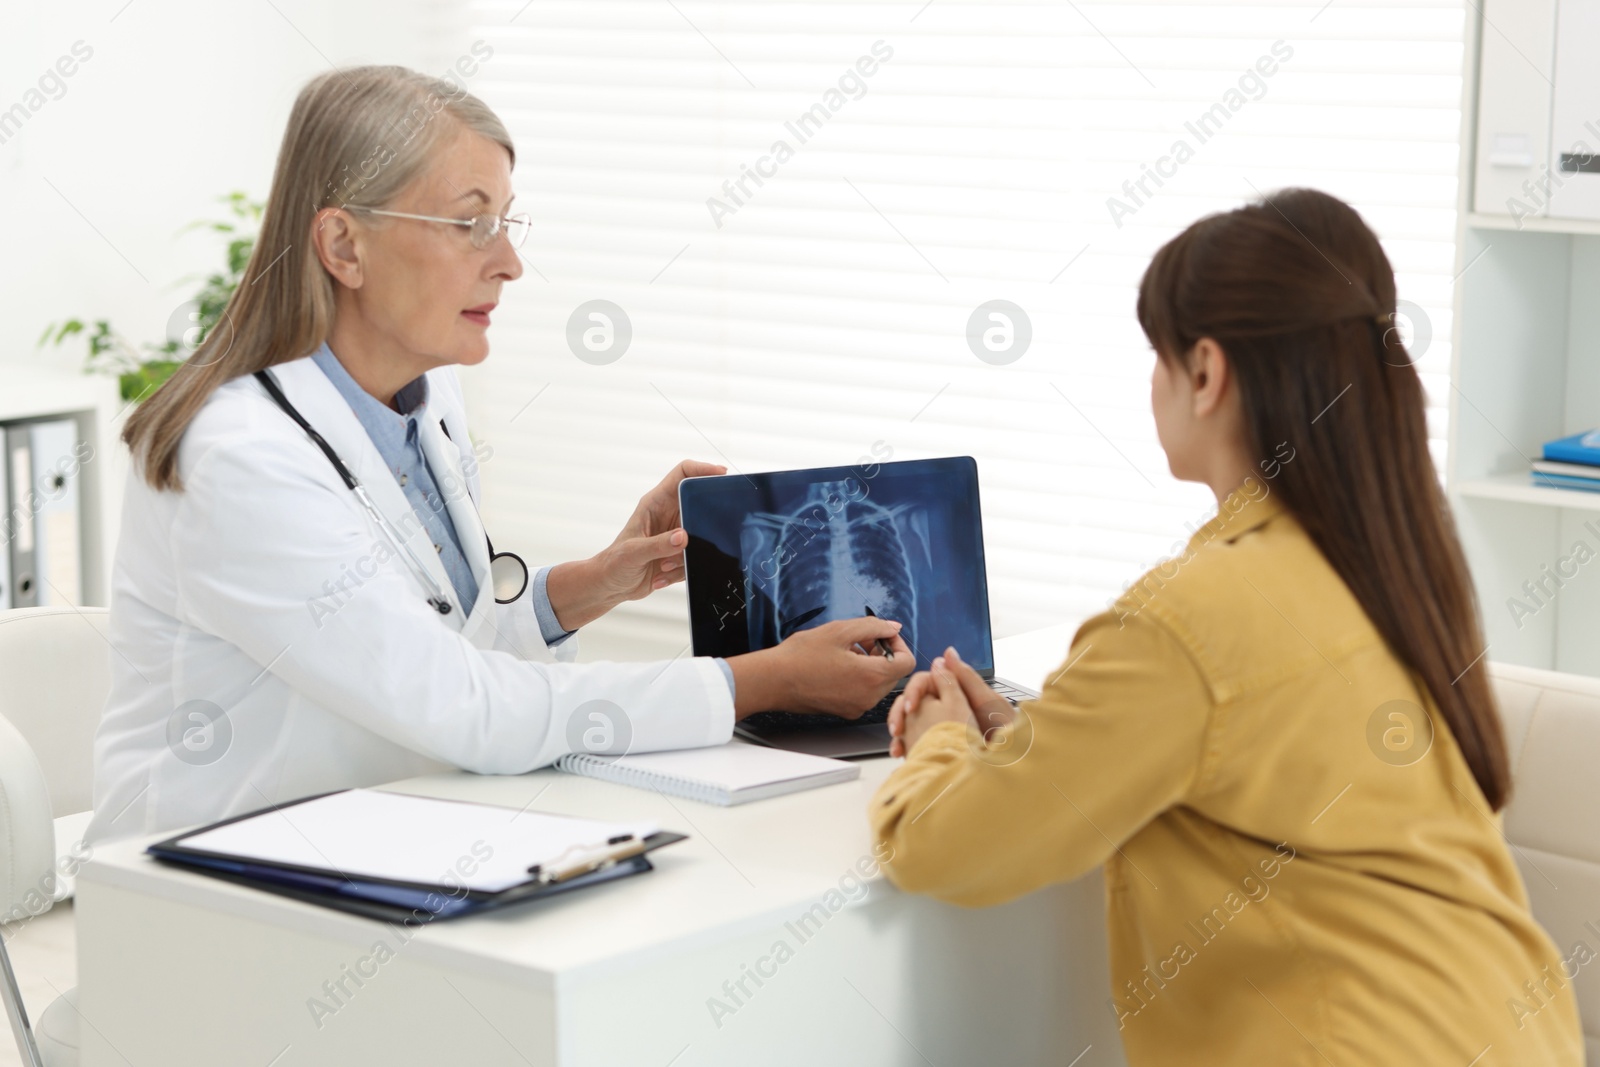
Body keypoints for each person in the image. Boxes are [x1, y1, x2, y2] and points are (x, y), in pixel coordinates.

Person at [84, 66, 912, 846]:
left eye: (506, 222)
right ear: (343, 245)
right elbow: (462, 703)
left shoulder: (423, 402)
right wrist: (762, 680)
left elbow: (440, 644)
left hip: (388, 830)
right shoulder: (237, 458)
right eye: (468, 222)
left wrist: (587, 586)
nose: (509, 262)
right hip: (210, 888)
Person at [872, 189, 1584, 1064]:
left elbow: (946, 847)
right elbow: (1268, 758)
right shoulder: (1392, 564)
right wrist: (1051, 743)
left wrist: (942, 740)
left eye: (1156, 357)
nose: (1152, 383)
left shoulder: (1184, 619)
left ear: (1206, 372)